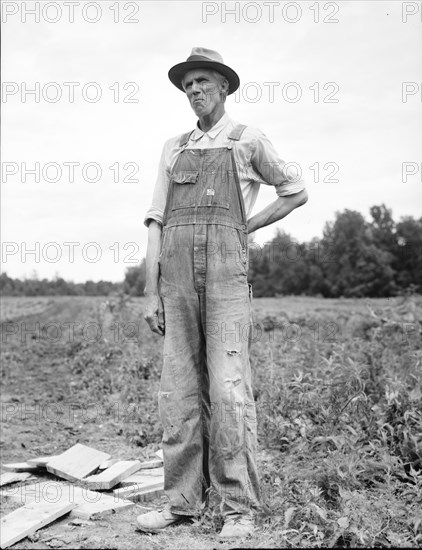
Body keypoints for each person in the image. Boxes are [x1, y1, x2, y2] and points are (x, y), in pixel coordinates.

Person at [138, 47, 308, 539]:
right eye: (188, 84)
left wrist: (246, 226)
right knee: (179, 391)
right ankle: (181, 503)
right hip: (176, 282)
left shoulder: (246, 139)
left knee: (230, 389)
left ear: (224, 87)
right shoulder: (173, 147)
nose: (194, 91)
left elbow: (295, 190)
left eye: (203, 81)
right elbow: (156, 221)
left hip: (226, 277)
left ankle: (239, 508)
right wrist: (151, 293)